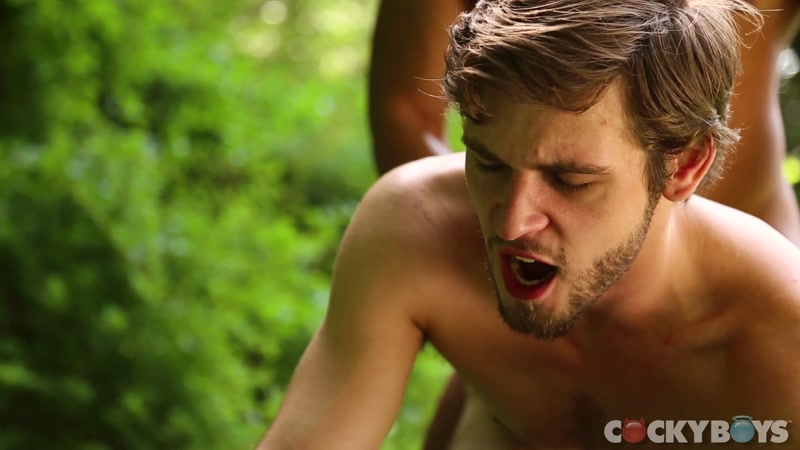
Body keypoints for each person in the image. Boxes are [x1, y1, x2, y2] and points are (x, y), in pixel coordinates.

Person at [259, 1, 800, 448]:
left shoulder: (780, 338)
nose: (511, 223)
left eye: (570, 180)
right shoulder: (417, 224)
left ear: (685, 166)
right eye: (488, 163)